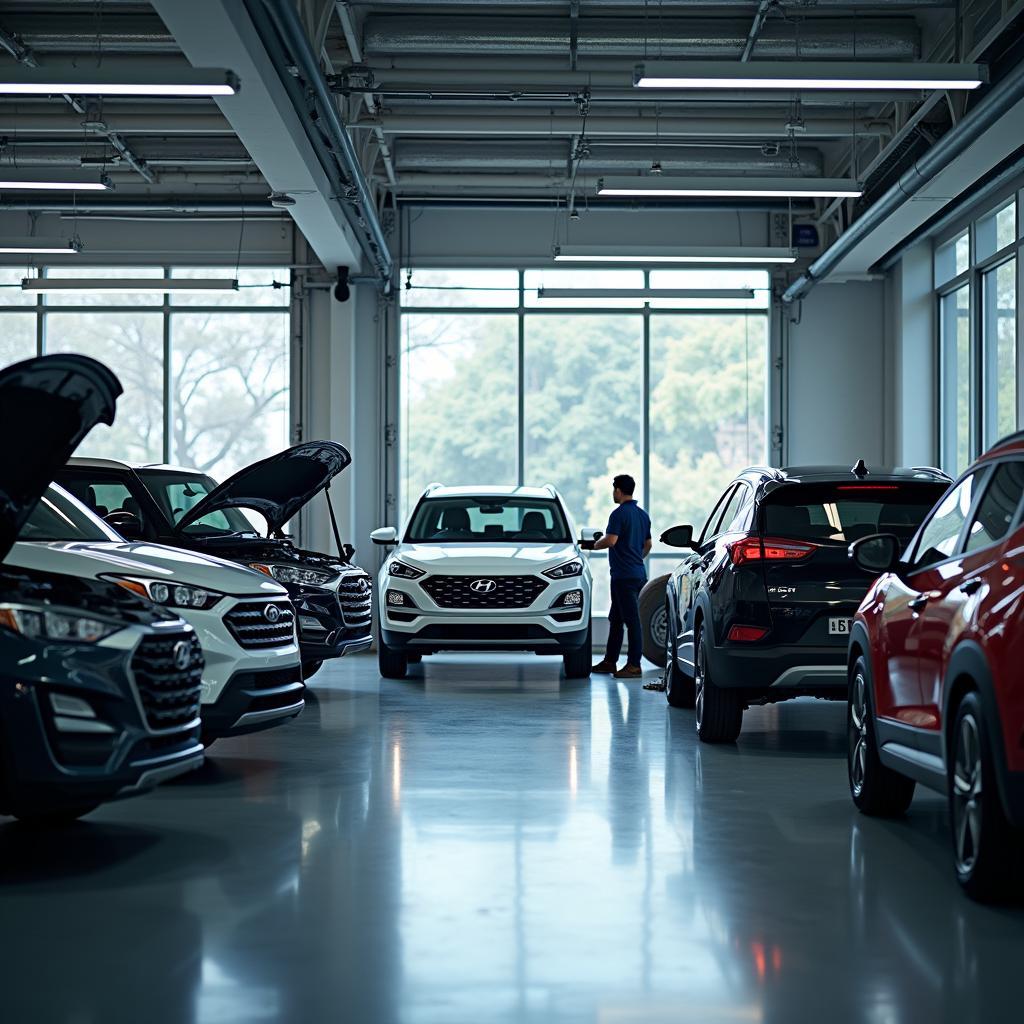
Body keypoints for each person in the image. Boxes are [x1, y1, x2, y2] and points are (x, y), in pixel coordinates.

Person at [591, 474, 651, 679]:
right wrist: (635, 559)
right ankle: (610, 661)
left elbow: (610, 540)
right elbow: (648, 545)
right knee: (615, 619)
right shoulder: (643, 515)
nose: (613, 493)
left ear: (618, 490)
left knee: (632, 621)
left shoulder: (618, 514)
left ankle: (634, 664)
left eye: (613, 489)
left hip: (623, 576)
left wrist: (594, 544)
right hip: (637, 573)